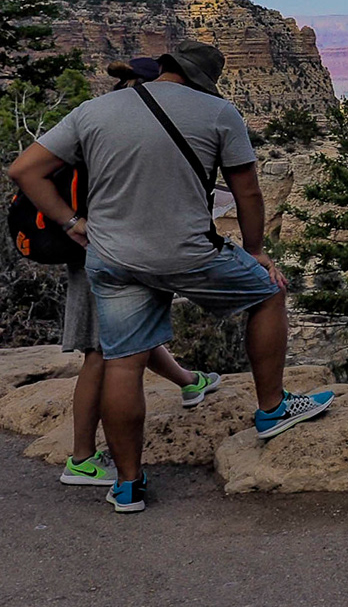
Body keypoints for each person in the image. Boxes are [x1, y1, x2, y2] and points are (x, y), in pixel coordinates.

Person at [6, 41, 332, 513]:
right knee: (268, 294)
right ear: (202, 80)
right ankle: (272, 409)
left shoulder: (94, 110)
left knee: (123, 363)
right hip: (187, 252)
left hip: (112, 256)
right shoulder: (219, 112)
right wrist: (256, 250)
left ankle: (129, 485)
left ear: (163, 68)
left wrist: (71, 223)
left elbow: (24, 170)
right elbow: (249, 193)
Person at [55, 58, 224, 488]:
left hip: (99, 246)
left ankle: (189, 381)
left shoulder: (99, 118)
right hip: (104, 248)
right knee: (102, 351)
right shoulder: (121, 126)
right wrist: (73, 223)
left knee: (127, 336)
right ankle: (81, 459)